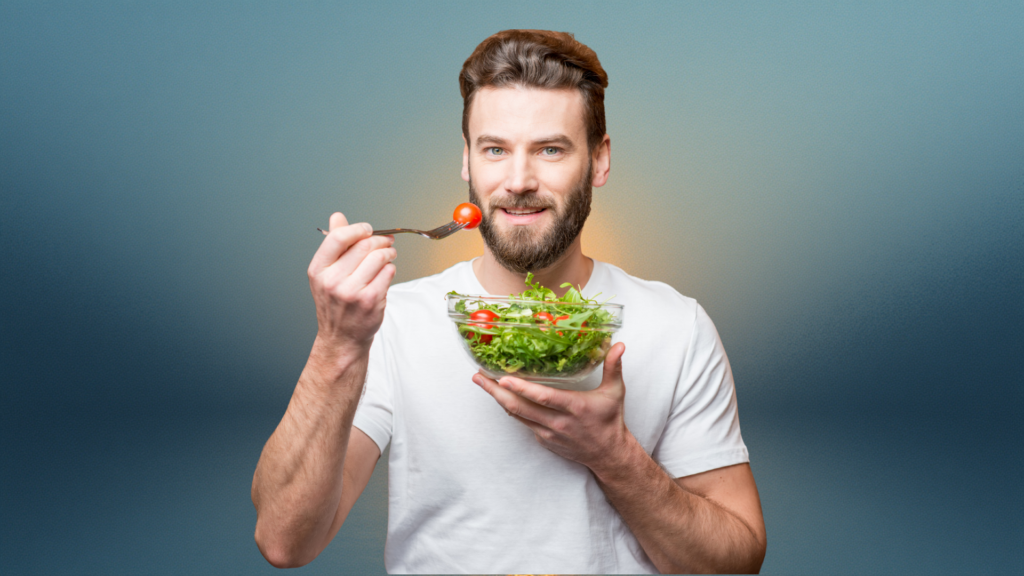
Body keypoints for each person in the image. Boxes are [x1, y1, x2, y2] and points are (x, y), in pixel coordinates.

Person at [251, 29, 766, 574]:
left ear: (599, 161)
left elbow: (735, 561)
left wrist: (613, 455)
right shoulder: (393, 323)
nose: (518, 181)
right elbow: (284, 541)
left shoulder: (675, 326)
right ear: (468, 163)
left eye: (550, 149)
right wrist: (338, 344)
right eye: (495, 149)